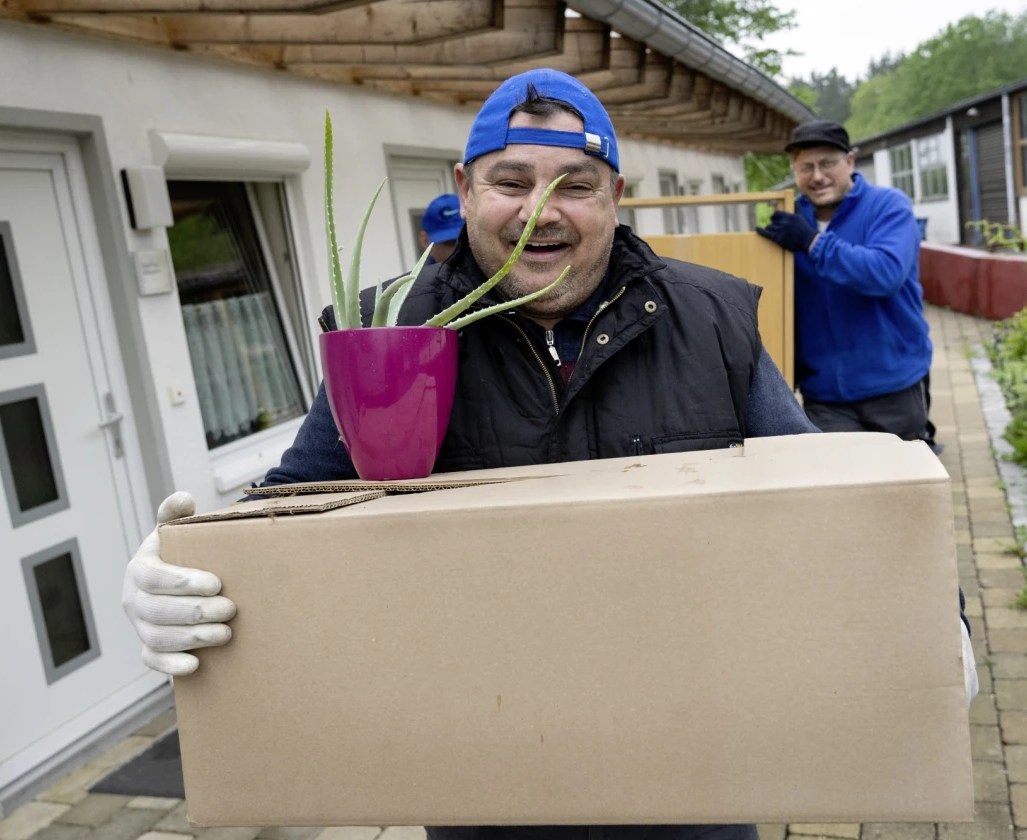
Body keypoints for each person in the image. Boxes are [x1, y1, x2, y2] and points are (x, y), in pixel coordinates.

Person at [123, 71, 975, 840]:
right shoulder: (392, 332)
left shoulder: (711, 320)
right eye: (512, 182)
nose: (542, 210)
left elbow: (832, 498)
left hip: (696, 781)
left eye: (576, 184)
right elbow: (289, 507)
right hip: (487, 796)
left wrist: (935, 621)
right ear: (463, 189)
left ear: (616, 198)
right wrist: (189, 568)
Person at [757, 121, 942, 454]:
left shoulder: (888, 206)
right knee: (842, 492)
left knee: (901, 489)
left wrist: (813, 242)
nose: (817, 176)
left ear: (850, 163)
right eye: (806, 167)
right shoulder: (789, 217)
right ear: (794, 171)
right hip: (825, 394)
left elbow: (885, 274)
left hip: (892, 384)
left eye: (827, 163)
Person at [419, 193, 464, 264]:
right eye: (450, 243)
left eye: (466, 240)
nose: (459, 251)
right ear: (425, 241)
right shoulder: (419, 275)